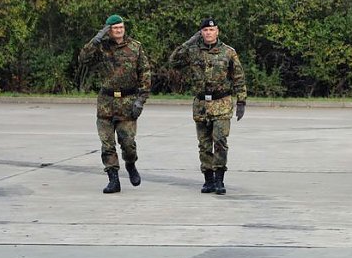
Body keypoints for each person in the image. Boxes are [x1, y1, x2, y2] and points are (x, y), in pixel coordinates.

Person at [169, 17, 247, 195]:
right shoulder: (193, 51)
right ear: (201, 33)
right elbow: (174, 62)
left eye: (212, 30)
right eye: (205, 30)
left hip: (222, 103)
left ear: (217, 31)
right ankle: (208, 180)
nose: (208, 33)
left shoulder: (228, 52)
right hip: (202, 104)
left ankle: (219, 179)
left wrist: (241, 100)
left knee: (220, 141)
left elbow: (238, 77)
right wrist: (188, 42)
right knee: (204, 145)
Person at [78, 14, 151, 194]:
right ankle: (113, 179)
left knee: (128, 144)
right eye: (114, 28)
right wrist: (96, 39)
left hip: (127, 102)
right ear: (108, 30)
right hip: (106, 102)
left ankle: (131, 164)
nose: (118, 31)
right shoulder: (101, 48)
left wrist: (140, 101)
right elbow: (83, 59)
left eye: (121, 27)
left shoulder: (135, 47)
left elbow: (145, 74)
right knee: (107, 144)